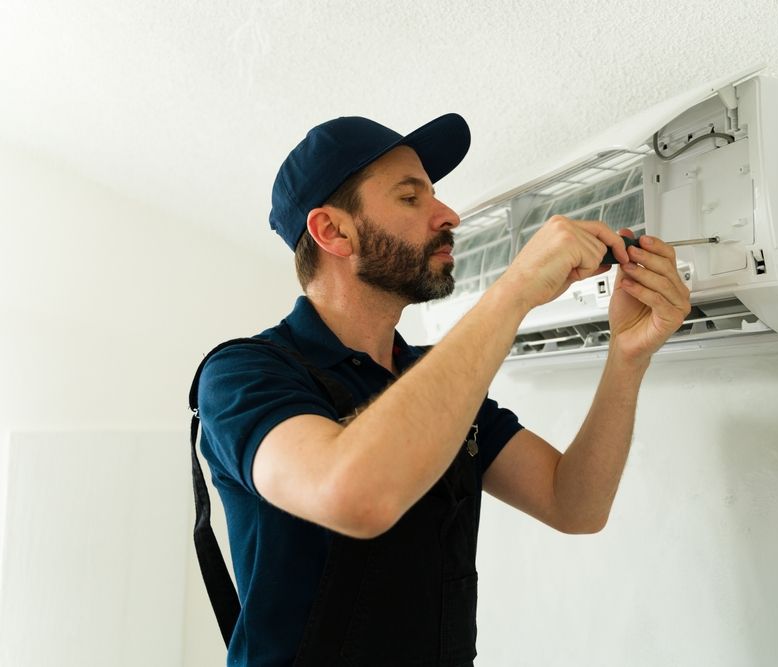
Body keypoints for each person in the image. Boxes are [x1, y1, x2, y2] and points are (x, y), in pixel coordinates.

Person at [195, 112, 691, 667]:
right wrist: (515, 289)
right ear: (332, 232)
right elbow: (356, 495)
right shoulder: (245, 375)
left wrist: (627, 354)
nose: (448, 214)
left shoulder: (432, 378)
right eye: (411, 198)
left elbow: (573, 503)